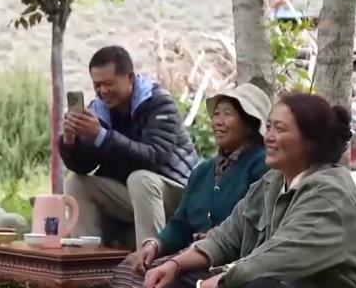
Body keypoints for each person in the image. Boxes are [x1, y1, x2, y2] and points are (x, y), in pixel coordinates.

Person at [144, 93, 356, 288]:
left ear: (310, 141)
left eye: (280, 129)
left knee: (262, 285)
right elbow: (227, 236)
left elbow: (278, 256)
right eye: (269, 127)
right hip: (264, 275)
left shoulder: (330, 195)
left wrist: (221, 280)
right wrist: (174, 264)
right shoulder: (271, 182)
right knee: (176, 277)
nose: (269, 137)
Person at [110, 83, 271, 287]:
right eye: (216, 114)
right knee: (126, 272)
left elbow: (250, 227)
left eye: (227, 114)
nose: (218, 122)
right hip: (192, 256)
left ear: (249, 124)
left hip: (227, 261)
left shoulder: (262, 165)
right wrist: (154, 244)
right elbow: (181, 224)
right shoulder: (202, 171)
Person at [61, 45, 200, 249]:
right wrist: (70, 140)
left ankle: (150, 260)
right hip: (135, 192)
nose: (103, 91)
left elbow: (153, 157)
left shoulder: (159, 103)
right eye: (97, 85)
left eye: (108, 83)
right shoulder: (99, 110)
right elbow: (84, 165)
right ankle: (88, 260)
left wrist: (101, 135)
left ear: (130, 77)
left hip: (178, 192)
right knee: (76, 182)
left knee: (140, 178)